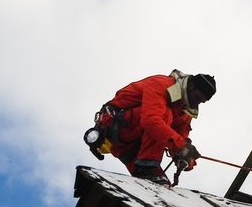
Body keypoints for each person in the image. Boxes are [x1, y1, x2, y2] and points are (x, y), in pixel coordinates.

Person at [86, 70, 216, 184]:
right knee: (164, 116)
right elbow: (151, 121)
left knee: (160, 186)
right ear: (191, 86)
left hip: (133, 148)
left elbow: (180, 138)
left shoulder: (185, 110)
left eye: (201, 101)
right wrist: (180, 146)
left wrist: (186, 157)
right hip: (114, 125)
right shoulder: (162, 84)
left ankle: (146, 168)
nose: (197, 103)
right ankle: (146, 166)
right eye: (197, 97)